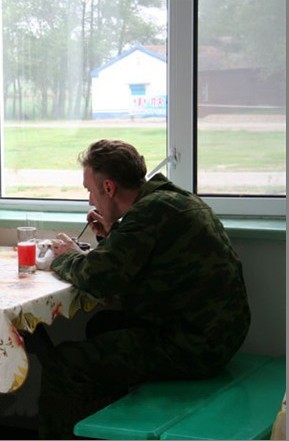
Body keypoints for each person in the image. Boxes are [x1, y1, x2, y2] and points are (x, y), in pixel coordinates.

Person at [39, 139, 251, 439]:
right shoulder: (168, 199)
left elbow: (100, 278)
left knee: (65, 363)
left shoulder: (147, 214)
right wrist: (113, 235)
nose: (90, 201)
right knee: (101, 325)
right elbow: (136, 266)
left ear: (109, 188)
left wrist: (64, 257)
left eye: (90, 190)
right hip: (215, 332)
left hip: (196, 346)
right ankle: (107, 429)